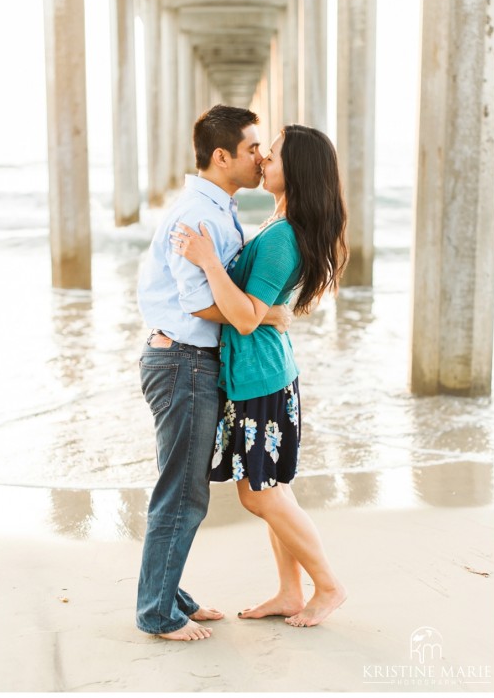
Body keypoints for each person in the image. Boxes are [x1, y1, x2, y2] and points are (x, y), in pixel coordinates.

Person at [171, 124, 349, 627]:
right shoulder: (282, 223)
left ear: (297, 169)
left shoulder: (282, 237)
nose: (263, 162)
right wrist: (267, 310)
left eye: (270, 156)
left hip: (262, 377)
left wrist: (207, 261)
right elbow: (261, 309)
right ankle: (291, 591)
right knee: (272, 488)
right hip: (263, 373)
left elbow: (247, 315)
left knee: (258, 492)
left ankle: (329, 585)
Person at [136, 104, 291, 641]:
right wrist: (264, 313)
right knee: (182, 492)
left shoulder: (218, 208)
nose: (261, 156)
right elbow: (199, 301)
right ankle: (156, 612)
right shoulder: (197, 215)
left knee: (182, 485)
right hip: (181, 360)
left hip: (188, 361)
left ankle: (168, 593)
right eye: (252, 148)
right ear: (221, 156)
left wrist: (253, 308)